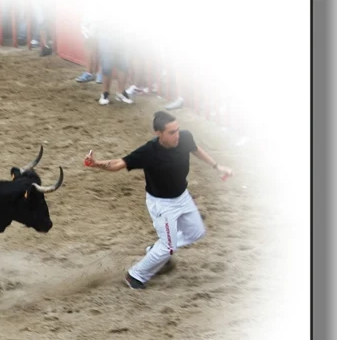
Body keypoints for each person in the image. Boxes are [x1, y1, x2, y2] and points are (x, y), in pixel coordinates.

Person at [82, 111, 234, 290]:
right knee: (169, 248)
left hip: (183, 196)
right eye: (171, 132)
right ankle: (135, 275)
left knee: (196, 232)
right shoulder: (149, 151)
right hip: (162, 204)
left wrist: (217, 166)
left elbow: (195, 149)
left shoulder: (184, 137)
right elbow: (118, 164)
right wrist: (96, 163)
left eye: (177, 130)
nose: (177, 135)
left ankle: (156, 250)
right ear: (159, 133)